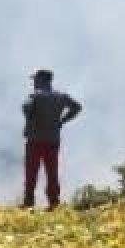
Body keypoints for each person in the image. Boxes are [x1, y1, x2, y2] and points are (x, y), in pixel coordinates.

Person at [22, 69, 82, 209]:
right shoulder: (61, 96)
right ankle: (54, 203)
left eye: (36, 80)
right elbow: (77, 107)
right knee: (52, 172)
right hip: (52, 140)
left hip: (35, 141)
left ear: (41, 80)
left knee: (31, 172)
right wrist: (62, 120)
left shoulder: (35, 96)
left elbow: (26, 107)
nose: (34, 82)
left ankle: (29, 203)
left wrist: (30, 116)